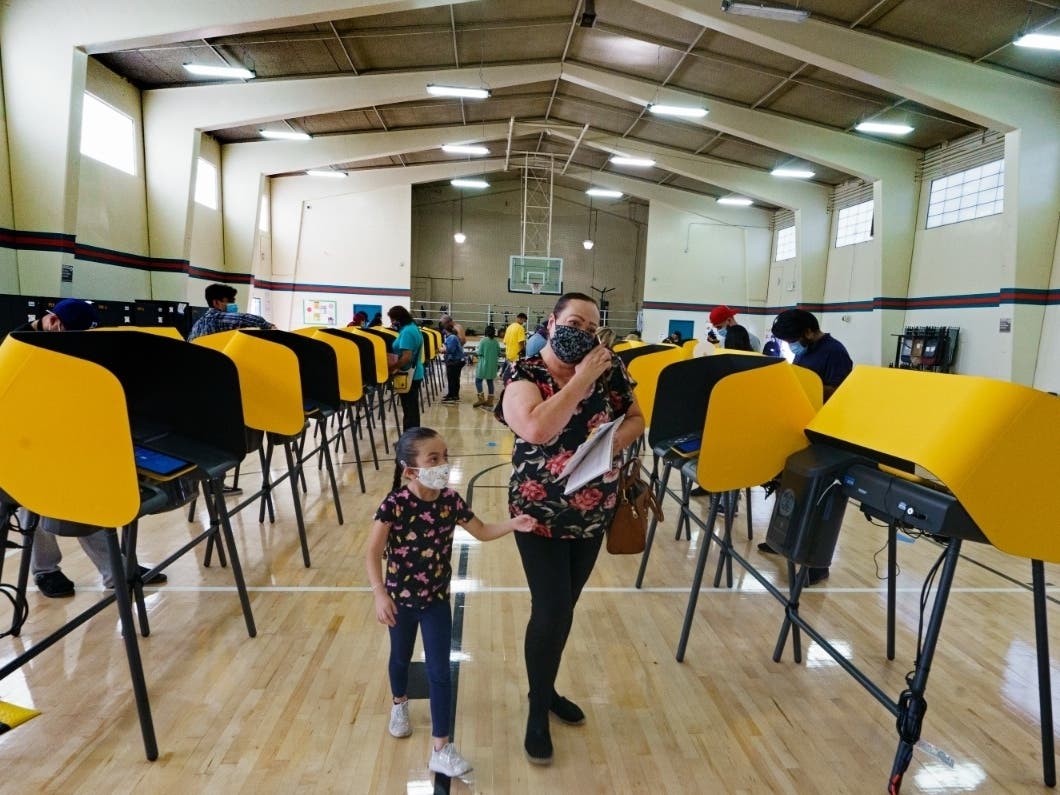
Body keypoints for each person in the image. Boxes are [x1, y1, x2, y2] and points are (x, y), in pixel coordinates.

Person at [496, 292, 645, 765]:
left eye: (589, 327)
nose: (580, 333)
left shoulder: (610, 367)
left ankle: (546, 687)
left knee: (565, 609)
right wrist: (581, 379)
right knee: (552, 607)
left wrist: (611, 446)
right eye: (573, 322)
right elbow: (537, 429)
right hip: (537, 513)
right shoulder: (523, 373)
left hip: (592, 511)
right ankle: (538, 710)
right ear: (552, 321)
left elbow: (638, 417)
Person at [365, 427, 534, 778]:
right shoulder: (394, 505)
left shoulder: (451, 501)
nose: (444, 464)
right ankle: (399, 703)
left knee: (440, 672)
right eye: (434, 459)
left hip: (436, 601)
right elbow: (372, 553)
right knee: (400, 658)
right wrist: (380, 593)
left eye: (445, 457)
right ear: (411, 470)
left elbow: (482, 531)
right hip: (400, 601)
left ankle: (441, 748)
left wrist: (514, 523)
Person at [11, 299, 167, 597]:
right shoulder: (18, 347)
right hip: (23, 440)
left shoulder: (62, 342)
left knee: (88, 499)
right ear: (54, 322)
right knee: (35, 505)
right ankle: (46, 571)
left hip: (60, 432)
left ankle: (116, 571)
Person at [759, 308, 854, 584]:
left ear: (810, 332)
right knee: (787, 489)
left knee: (815, 501)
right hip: (798, 428)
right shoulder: (803, 352)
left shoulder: (835, 352)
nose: (791, 346)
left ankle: (816, 564)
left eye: (793, 340)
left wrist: (809, 386)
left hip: (823, 435)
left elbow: (840, 392)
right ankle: (783, 540)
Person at [187, 283, 275, 341]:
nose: (233, 304)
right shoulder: (217, 319)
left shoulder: (197, 325)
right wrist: (269, 326)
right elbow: (246, 319)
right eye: (229, 301)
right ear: (216, 303)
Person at [387, 305, 424, 432]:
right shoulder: (413, 328)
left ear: (398, 318)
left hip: (409, 374)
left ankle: (409, 440)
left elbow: (406, 357)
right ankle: (412, 438)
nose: (391, 323)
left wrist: (392, 367)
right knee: (411, 409)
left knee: (409, 410)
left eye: (392, 320)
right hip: (415, 373)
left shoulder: (407, 332)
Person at [473, 325, 501, 410]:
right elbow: (498, 353)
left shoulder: (483, 340)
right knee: (490, 382)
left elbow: (479, 352)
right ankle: (490, 401)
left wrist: (476, 350)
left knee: (478, 381)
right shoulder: (496, 342)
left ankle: (481, 399)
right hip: (492, 365)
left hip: (483, 364)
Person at [440, 322, 466, 403]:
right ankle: (452, 394)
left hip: (455, 361)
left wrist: (442, 349)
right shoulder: (451, 337)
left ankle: (453, 396)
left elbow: (450, 350)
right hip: (456, 360)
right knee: (453, 378)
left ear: (445, 330)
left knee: (452, 378)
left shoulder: (451, 337)